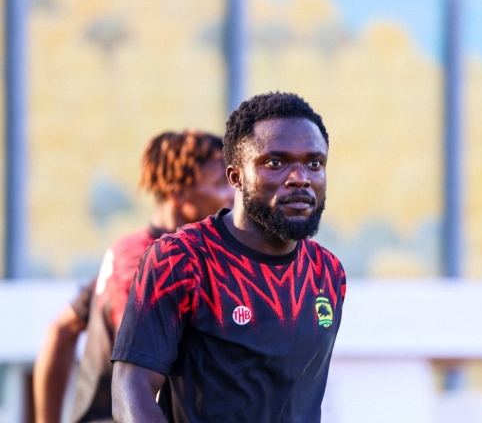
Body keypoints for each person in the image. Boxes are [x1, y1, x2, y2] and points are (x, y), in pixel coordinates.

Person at [111, 92, 347, 422]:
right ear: (235, 177)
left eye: (314, 164)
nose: (300, 178)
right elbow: (130, 388)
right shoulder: (180, 260)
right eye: (275, 163)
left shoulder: (328, 272)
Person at [33, 129, 234, 423]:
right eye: (221, 184)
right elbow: (144, 369)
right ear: (178, 193)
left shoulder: (145, 253)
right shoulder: (141, 261)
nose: (234, 194)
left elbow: (61, 331)